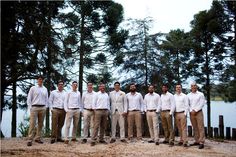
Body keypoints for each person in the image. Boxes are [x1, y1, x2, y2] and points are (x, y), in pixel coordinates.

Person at [26, 75, 49, 146]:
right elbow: (29, 98)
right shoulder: (33, 88)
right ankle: (30, 139)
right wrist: (30, 107)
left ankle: (38, 138)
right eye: (39, 79)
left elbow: (47, 99)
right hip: (34, 107)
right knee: (32, 123)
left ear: (43, 80)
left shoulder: (45, 89)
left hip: (42, 108)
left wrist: (46, 107)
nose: (40, 80)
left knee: (40, 124)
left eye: (41, 79)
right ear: (37, 80)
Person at [187, 82, 205, 149]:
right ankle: (196, 141)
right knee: (194, 127)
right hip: (191, 113)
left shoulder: (200, 94)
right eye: (192, 86)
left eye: (194, 86)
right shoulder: (188, 95)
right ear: (191, 87)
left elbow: (202, 103)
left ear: (196, 87)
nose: (193, 87)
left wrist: (196, 110)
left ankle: (201, 142)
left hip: (199, 112)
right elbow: (187, 104)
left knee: (200, 127)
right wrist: (191, 110)